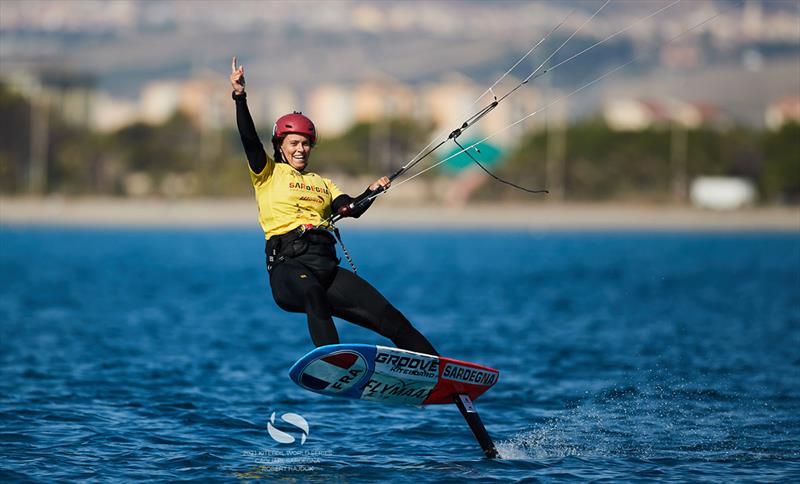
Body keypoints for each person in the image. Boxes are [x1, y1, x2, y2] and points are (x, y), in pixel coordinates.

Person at [229, 57, 437, 356]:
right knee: (312, 293)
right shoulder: (268, 173)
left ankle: (441, 373)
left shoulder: (323, 184)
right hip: (289, 269)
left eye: (306, 144)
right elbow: (249, 139)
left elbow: (350, 208)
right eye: (294, 143)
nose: (301, 149)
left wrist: (372, 191)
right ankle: (333, 362)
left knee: (391, 318)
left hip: (326, 266)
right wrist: (239, 96)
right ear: (280, 146)